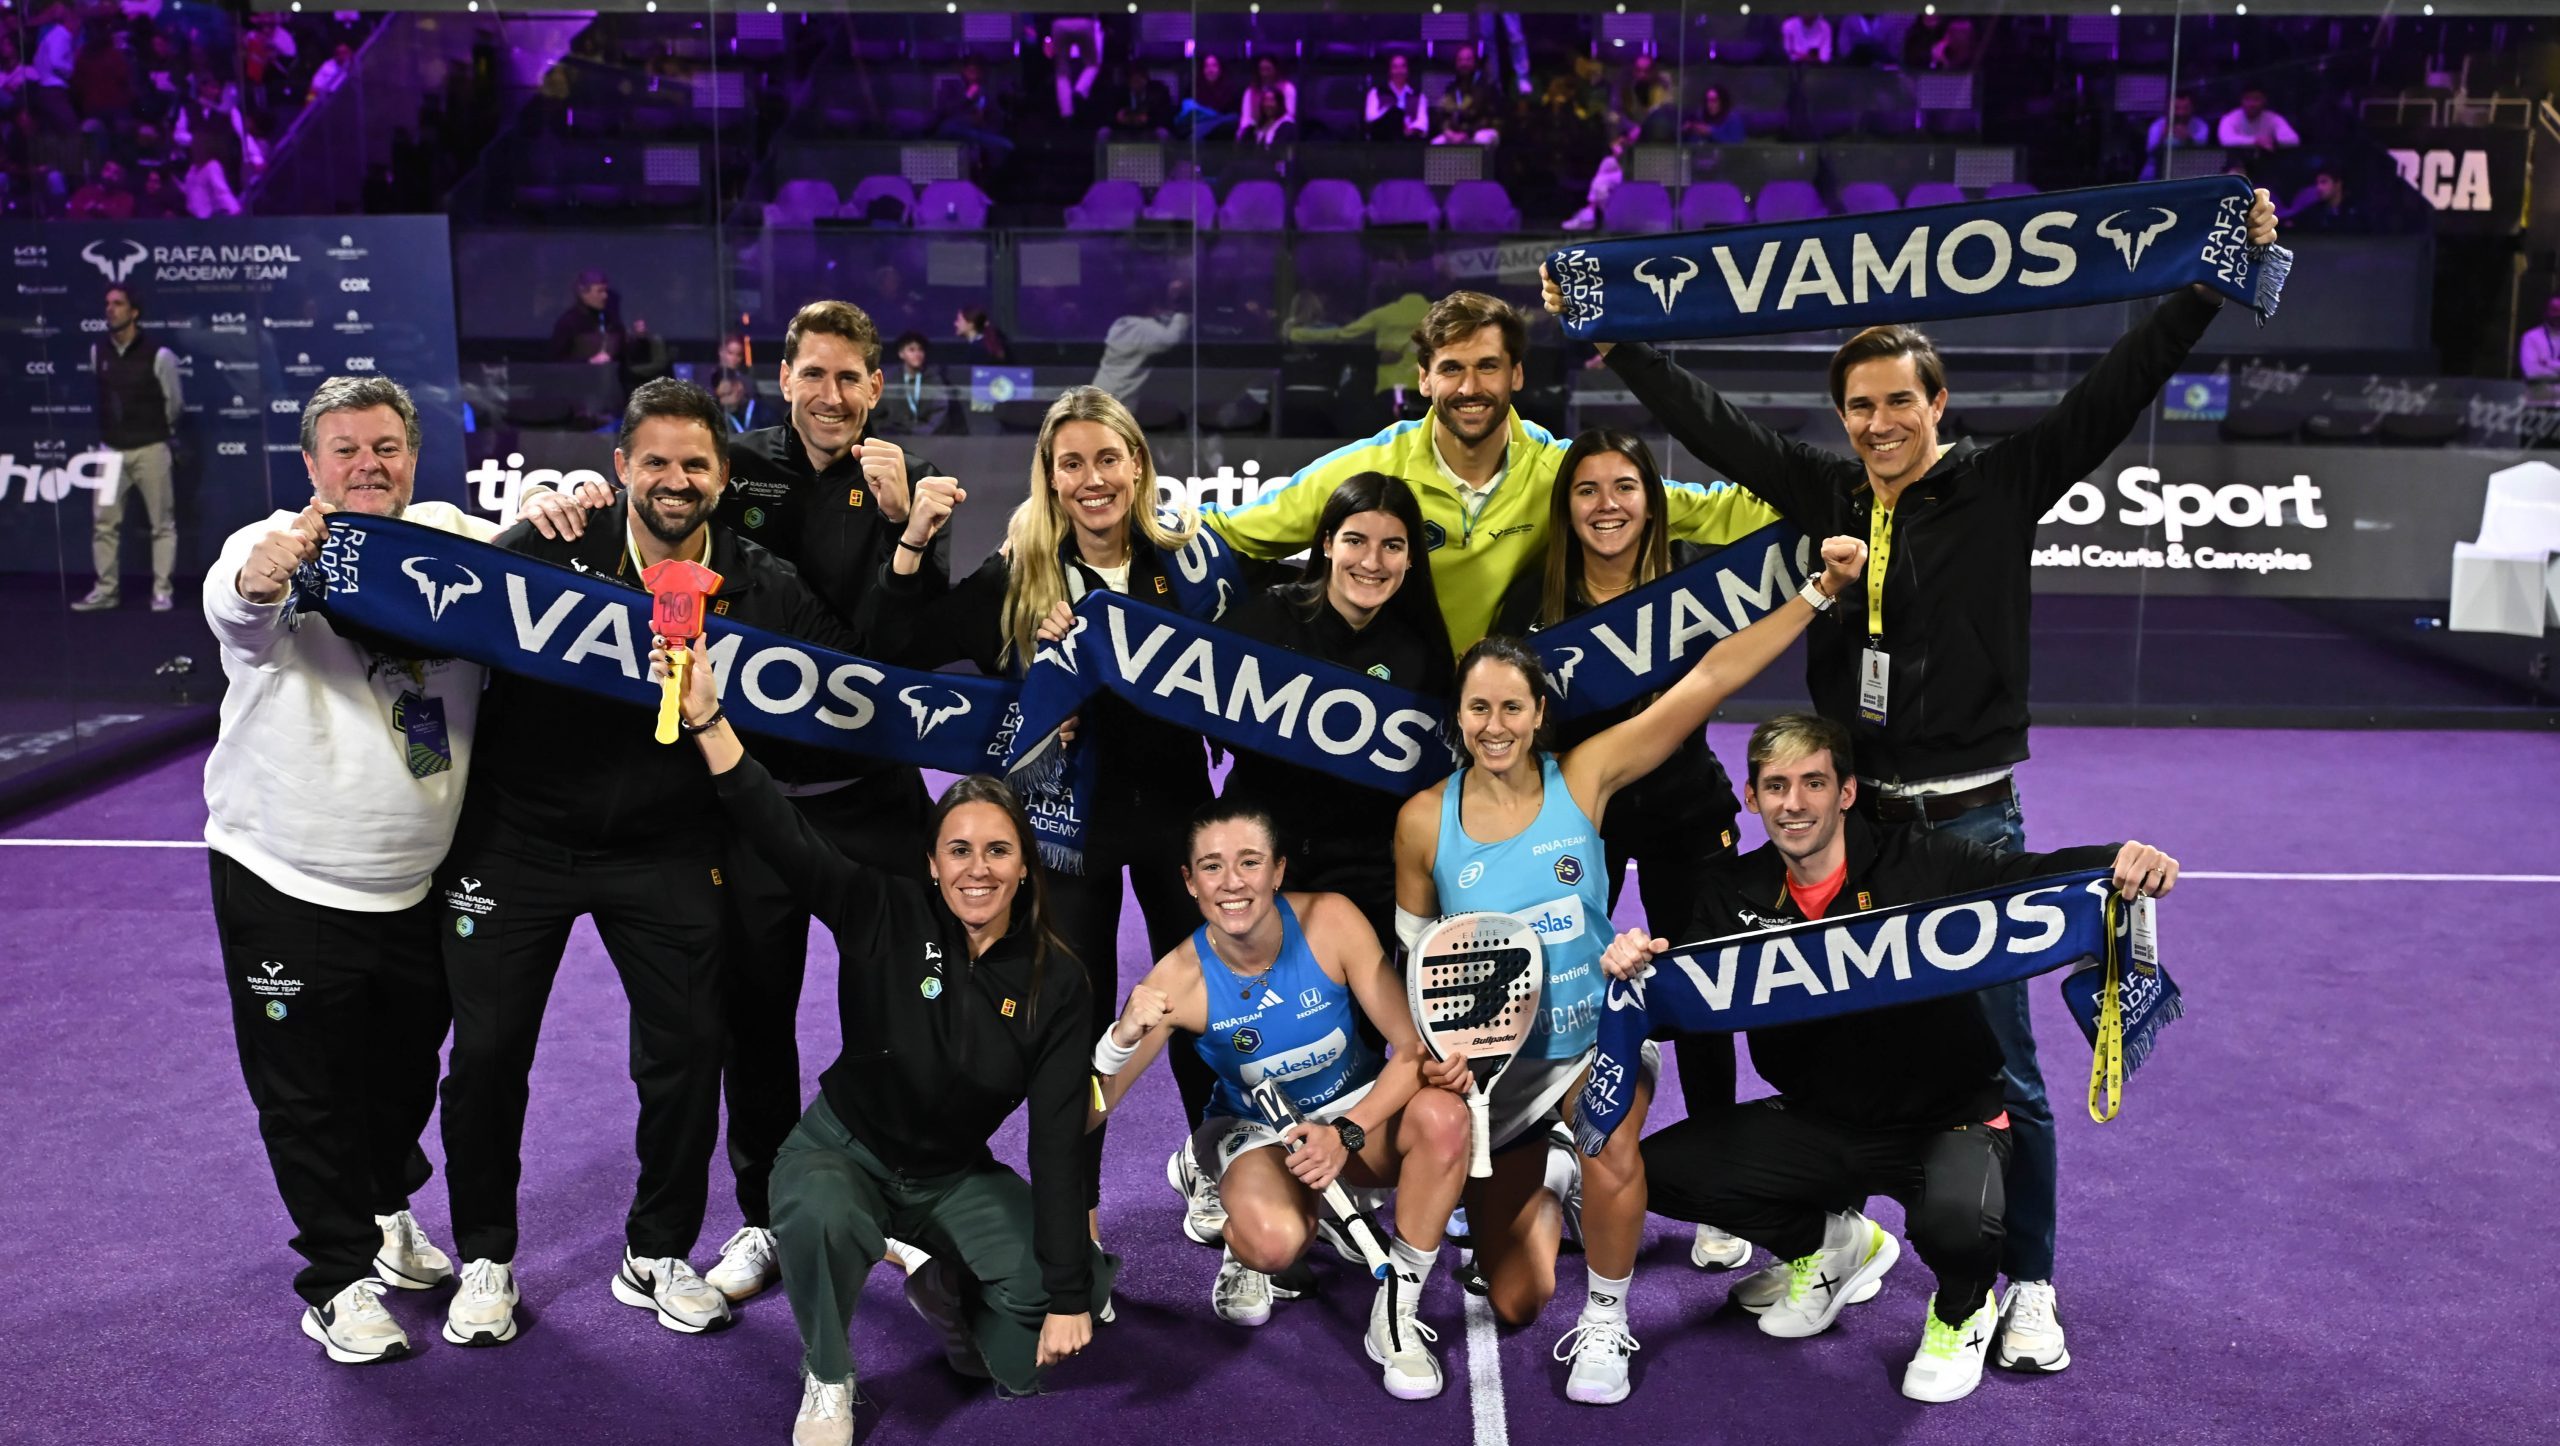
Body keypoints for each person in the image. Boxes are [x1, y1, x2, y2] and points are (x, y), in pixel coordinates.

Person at [1546, 187, 2279, 1377]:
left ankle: (2027, 1285)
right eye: (1860, 407)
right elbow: (1717, 426)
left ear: (1937, 404)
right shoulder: (1827, 494)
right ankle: (1835, 1236)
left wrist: (2204, 282)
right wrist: (1618, 339)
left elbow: (2118, 386)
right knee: (1836, 1042)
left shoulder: (2005, 480)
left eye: (1898, 402)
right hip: (1852, 829)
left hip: (1971, 825)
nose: (1879, 423)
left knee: (2005, 1069)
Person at [434, 379, 865, 1350]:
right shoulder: (550, 546)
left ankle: (658, 1250)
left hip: (670, 847)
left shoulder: (760, 583)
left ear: (723, 476)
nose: (676, 481)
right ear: (621, 466)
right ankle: (485, 1256)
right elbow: (440, 605)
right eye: (657, 462)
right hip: (519, 839)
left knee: (687, 1055)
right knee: (489, 1056)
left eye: (696, 464)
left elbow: (855, 686)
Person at [1391, 537, 1864, 1406]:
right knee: (1517, 1297)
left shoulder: (1585, 777)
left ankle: (1608, 1317)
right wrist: (1436, 1052)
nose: (1494, 726)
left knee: (1610, 1135)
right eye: (1478, 708)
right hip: (1500, 1074)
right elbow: (1415, 960)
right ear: (1456, 716)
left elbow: (1708, 679)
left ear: (1539, 712)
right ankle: (1555, 1177)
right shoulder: (1425, 820)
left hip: (1596, 1036)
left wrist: (1817, 596)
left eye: (1511, 707)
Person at [1617, 713, 2179, 1403]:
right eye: (1777, 787)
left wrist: (2118, 860)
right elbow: (1679, 990)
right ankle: (1830, 1246)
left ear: (1847, 792)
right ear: (1751, 798)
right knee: (1655, 1173)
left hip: (1945, 1120)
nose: (1795, 803)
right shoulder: (1729, 891)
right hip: (1819, 1120)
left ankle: (1962, 1312)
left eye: (1814, 783)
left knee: (1959, 1228)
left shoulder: (1923, 859)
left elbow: (2025, 878)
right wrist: (1635, 963)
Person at [651, 648, 1108, 1446]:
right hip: (844, 1153)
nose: (977, 870)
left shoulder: (1058, 981)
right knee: (820, 1213)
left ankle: (941, 1289)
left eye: (998, 851)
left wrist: (1068, 1291)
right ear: (931, 864)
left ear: (1025, 867)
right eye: (958, 851)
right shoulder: (881, 909)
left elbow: (1057, 1141)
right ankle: (828, 1375)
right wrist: (709, 722)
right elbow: (781, 832)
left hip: (951, 1175)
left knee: (1040, 1334)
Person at [867, 386, 1214, 1252]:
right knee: (1074, 1028)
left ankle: (1214, 1165)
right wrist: (912, 543)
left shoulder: (1188, 562)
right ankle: (1075, 1221)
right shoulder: (1022, 573)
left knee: (1206, 1009)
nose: (1093, 479)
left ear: (1138, 465)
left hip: (1179, 824)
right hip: (1067, 837)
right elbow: (902, 648)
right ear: (1050, 478)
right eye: (1072, 464)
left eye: (1108, 459)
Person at [204, 376, 491, 1366]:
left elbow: (530, 570)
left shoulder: (452, 536)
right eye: (345, 449)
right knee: (306, 1092)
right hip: (283, 877)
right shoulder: (273, 544)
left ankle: (378, 1209)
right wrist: (261, 582)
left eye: (385, 447)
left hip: (415, 883)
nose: (367, 464)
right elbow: (241, 610)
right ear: (311, 463)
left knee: (403, 1075)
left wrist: (562, 505)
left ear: (412, 456)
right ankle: (335, 1279)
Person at [1092, 799, 1469, 1399]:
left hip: (1352, 1114)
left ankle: (1396, 1308)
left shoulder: (1332, 921)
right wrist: (1118, 1041)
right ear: (1189, 882)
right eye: (1212, 867)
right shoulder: (1176, 980)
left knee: (1445, 1117)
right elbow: (1088, 1112)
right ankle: (1228, 1201)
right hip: (1256, 1130)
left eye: (1249, 862)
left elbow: (1409, 1050)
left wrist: (1344, 1133)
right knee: (1274, 1243)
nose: (1232, 882)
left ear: (1278, 870)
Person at [1490, 429, 1751, 1274]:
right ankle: (1540, 1171)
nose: (1608, 505)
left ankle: (1719, 1188)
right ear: (1565, 506)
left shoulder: (1696, 583)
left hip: (1687, 812)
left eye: (1625, 487)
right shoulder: (1535, 598)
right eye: (1588, 489)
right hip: (1578, 826)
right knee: (1552, 994)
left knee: (1703, 998)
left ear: (1652, 499)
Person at [1212, 290, 1781, 657]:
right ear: (1424, 379)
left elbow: (1712, 511)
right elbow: (1233, 533)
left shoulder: (1562, 473)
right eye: (1451, 369)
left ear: (1517, 375)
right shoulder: (1368, 469)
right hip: (1390, 708)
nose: (1470, 388)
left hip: (1508, 724)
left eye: (1488, 367)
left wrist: (1825, 499)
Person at [1223, 472, 1449, 953]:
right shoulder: (1267, 619)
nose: (1372, 561)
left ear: (1412, 558)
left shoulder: (1422, 653)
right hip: (1259, 857)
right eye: (1355, 540)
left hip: (1366, 871)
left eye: (1392, 546)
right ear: (1327, 543)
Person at [73, 284, 182, 613]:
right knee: (104, 523)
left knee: (162, 524)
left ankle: (162, 591)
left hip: (151, 449)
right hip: (111, 451)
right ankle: (106, 590)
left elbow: (174, 403)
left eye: (118, 304)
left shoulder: (159, 355)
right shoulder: (98, 352)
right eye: (107, 303)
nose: (110, 309)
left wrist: (158, 432)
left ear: (134, 312)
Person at [1091, 277, 1190, 414]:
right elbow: (1171, 338)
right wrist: (1181, 313)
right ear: (1150, 305)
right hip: (1118, 397)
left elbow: (1156, 324)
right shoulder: (1144, 328)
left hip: (1100, 389)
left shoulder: (1120, 324)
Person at [172, 73, 262, 218]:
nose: (216, 92)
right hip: (197, 167)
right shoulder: (188, 109)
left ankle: (235, 212)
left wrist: (256, 157)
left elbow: (243, 134)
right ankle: (232, 212)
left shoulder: (228, 111)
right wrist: (197, 141)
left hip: (223, 166)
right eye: (212, 88)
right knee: (200, 209)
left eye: (217, 88)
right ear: (202, 88)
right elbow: (178, 134)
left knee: (214, 172)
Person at [880, 330, 961, 436]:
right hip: (896, 436)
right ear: (901, 354)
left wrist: (923, 432)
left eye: (920, 350)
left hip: (927, 437)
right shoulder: (890, 377)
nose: (917, 354)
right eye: (912, 350)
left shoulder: (933, 378)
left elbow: (940, 410)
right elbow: (881, 411)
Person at [550, 268, 627, 364]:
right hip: (581, 373)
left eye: (605, 291)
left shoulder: (612, 322)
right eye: (600, 291)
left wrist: (640, 339)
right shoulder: (568, 322)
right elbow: (557, 361)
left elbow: (624, 355)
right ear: (583, 293)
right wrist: (588, 362)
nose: (605, 296)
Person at [1438, 43, 1501, 145]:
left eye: (1468, 59)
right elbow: (1444, 115)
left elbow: (1489, 118)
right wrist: (1448, 132)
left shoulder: (1487, 85)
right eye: (1460, 60)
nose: (1464, 63)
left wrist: (1467, 133)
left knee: (1480, 139)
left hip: (1483, 130)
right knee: (1437, 143)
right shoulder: (1452, 88)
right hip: (1459, 132)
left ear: (1475, 62)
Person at [2142, 92, 2208, 179]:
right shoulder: (2157, 125)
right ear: (2168, 109)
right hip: (2155, 174)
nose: (2181, 113)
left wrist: (2188, 139)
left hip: (2187, 173)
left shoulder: (2201, 125)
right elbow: (2150, 153)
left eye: (2185, 108)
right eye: (2177, 108)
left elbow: (2203, 155)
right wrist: (2162, 138)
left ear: (2192, 108)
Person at [1365, 52, 1428, 143]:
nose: (1399, 71)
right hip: (1383, 143)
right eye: (1395, 67)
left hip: (1410, 144)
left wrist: (1410, 129)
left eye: (1403, 67)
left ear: (1408, 70)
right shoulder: (1376, 93)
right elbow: (1370, 118)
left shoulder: (1419, 96)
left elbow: (1423, 124)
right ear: (1389, 71)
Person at [1102, 60, 1175, 138]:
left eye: (1140, 80)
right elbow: (1108, 114)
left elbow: (1165, 116)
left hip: (1150, 128)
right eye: (1134, 80)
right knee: (1103, 132)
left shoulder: (1158, 92)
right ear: (1128, 81)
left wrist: (1148, 119)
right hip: (1123, 128)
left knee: (1162, 132)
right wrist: (1118, 118)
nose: (1137, 84)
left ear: (1146, 79)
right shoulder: (1118, 93)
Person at [2217, 86, 2300, 152]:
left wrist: (2273, 142)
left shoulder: (2274, 118)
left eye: (2256, 99)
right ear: (2241, 101)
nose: (2251, 104)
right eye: (2247, 99)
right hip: (2238, 162)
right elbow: (2226, 140)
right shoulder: (2230, 118)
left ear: (2264, 101)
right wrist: (2255, 141)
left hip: (2267, 160)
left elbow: (2294, 140)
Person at [2286, 169, 2363, 232]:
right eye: (2317, 183)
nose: (2319, 187)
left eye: (2324, 182)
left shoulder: (2357, 211)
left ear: (2338, 184)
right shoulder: (2313, 212)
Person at [2520, 296, 2560, 382]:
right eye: (2554, 310)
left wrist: (2548, 363)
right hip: (2539, 389)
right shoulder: (2531, 337)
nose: (2558, 314)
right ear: (2546, 312)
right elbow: (2531, 372)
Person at [712, 365, 761, 431]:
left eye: (728, 394)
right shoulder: (721, 419)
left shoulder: (764, 413)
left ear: (739, 387)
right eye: (720, 397)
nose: (723, 401)